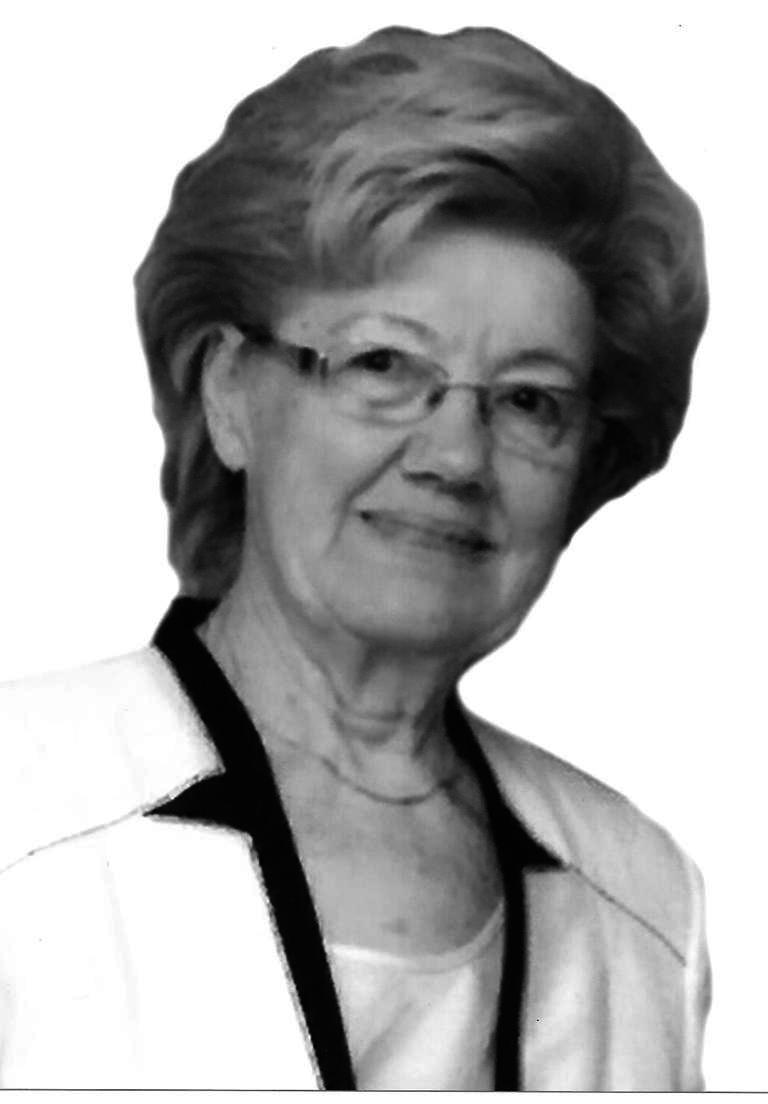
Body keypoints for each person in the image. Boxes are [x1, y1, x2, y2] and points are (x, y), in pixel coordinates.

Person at [0, 24, 710, 1090]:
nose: (456, 456)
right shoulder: (20, 804)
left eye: (530, 401)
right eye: (383, 363)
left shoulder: (643, 901)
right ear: (230, 393)